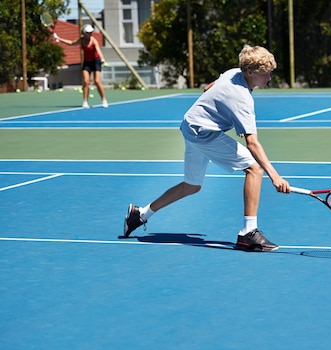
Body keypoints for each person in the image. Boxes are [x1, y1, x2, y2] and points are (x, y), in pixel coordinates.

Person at [123, 45, 290, 251]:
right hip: (203, 134)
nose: (269, 78)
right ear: (249, 71)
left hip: (190, 127)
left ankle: (140, 214)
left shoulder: (232, 73)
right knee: (255, 169)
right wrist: (275, 176)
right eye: (265, 74)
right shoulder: (242, 98)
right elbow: (252, 143)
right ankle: (249, 232)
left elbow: (208, 87)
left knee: (192, 185)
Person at [55, 24, 108, 108]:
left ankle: (103, 99)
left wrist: (102, 59)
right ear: (84, 33)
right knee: (86, 81)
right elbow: (71, 43)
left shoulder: (94, 41)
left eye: (91, 32)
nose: (90, 34)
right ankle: (85, 101)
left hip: (96, 61)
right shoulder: (81, 40)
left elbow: (98, 50)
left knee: (97, 81)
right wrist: (59, 39)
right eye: (88, 32)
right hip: (87, 62)